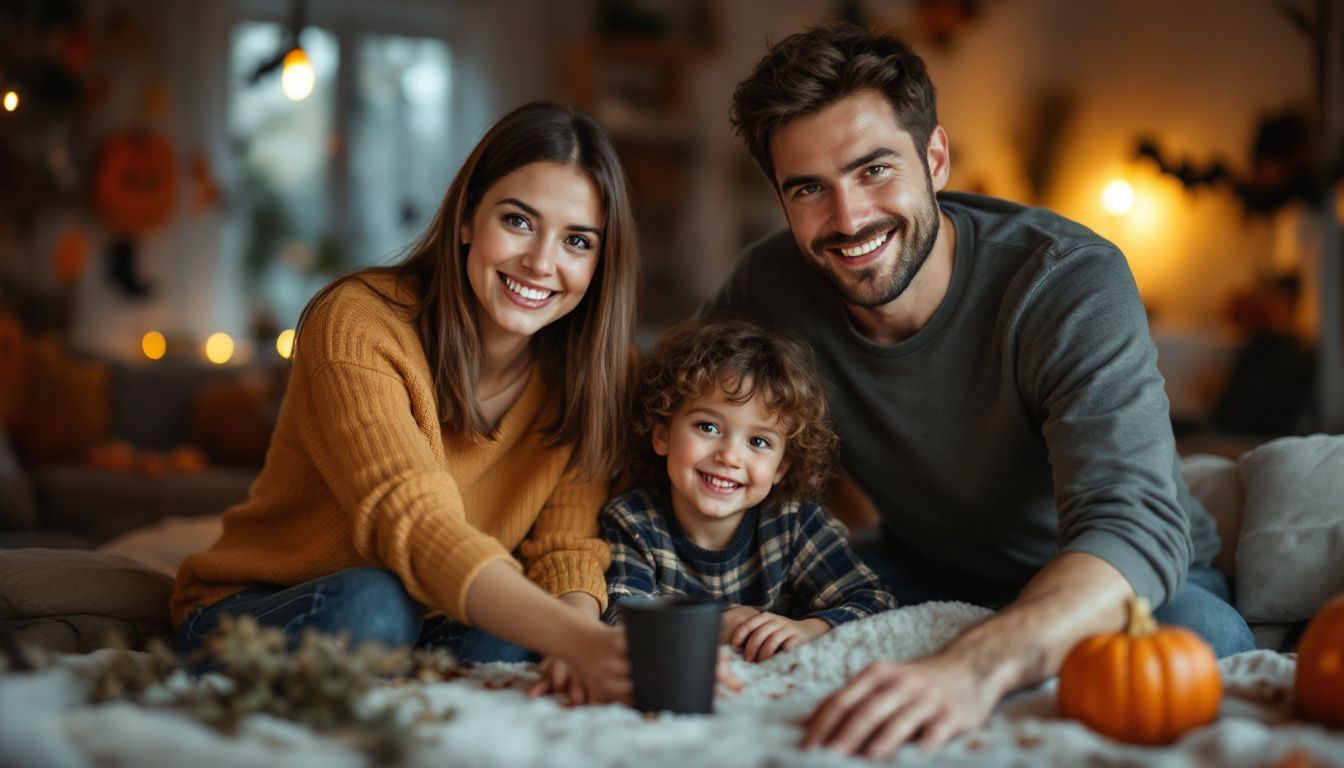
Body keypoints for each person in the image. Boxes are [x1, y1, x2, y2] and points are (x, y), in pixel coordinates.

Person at [709, 23, 1255, 757]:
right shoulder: (767, 284)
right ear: (781, 199)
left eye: (874, 170)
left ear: (935, 158)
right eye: (809, 189)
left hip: (1108, 568)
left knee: (1208, 640)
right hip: (923, 562)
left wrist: (970, 667)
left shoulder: (1065, 282)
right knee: (751, 622)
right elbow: (669, 422)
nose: (848, 219)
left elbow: (1133, 524)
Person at [171, 102, 639, 705]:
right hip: (261, 608)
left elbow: (567, 547)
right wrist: (579, 644)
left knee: (510, 637)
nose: (542, 262)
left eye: (577, 241)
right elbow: (414, 521)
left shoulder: (600, 370)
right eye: (519, 222)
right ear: (468, 216)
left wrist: (577, 636)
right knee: (376, 606)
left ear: (599, 264)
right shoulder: (358, 322)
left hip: (438, 611)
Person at [602, 317, 896, 662]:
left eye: (758, 441)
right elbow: (620, 616)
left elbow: (874, 601)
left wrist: (808, 629)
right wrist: (716, 626)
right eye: (708, 426)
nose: (729, 456)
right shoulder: (633, 521)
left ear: (781, 467)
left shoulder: (793, 523)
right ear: (662, 434)